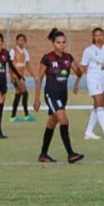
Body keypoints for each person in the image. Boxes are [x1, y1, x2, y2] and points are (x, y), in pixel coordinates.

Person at [32, 28, 85, 164]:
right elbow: (39, 78)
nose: (61, 45)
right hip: (52, 94)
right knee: (64, 121)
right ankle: (71, 154)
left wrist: (79, 74)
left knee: (51, 123)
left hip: (63, 96)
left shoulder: (68, 58)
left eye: (63, 42)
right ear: (53, 43)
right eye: (58, 42)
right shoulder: (47, 58)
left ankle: (43, 154)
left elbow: (78, 73)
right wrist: (36, 99)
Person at [81, 27, 104, 140]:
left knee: (98, 105)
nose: (98, 37)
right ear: (93, 37)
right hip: (93, 78)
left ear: (103, 36)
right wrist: (77, 81)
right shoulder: (89, 50)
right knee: (99, 103)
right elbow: (83, 66)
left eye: (100, 35)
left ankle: (89, 131)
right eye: (96, 35)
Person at [9, 34, 35, 122]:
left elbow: (28, 65)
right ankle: (25, 115)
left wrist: (34, 76)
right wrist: (11, 76)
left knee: (19, 94)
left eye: (23, 40)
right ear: (16, 41)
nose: (21, 42)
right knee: (24, 92)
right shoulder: (13, 51)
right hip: (16, 77)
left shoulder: (25, 52)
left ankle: (14, 116)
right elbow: (11, 65)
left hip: (21, 77)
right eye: (20, 40)